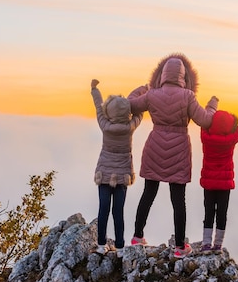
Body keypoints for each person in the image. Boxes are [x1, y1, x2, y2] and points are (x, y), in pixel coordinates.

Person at [128, 53, 218, 259]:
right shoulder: (188, 96)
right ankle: (179, 246)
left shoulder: (152, 95)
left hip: (155, 147)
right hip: (178, 150)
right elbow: (205, 121)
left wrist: (143, 89)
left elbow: (130, 105)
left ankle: (137, 236)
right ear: (183, 76)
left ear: (162, 74)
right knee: (178, 199)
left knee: (148, 193)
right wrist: (212, 106)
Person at [91, 78, 144, 257]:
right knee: (118, 212)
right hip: (122, 176)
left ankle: (100, 244)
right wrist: (144, 93)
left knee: (103, 209)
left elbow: (98, 106)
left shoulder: (105, 126)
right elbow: (139, 114)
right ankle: (120, 247)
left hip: (104, 173)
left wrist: (94, 89)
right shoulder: (130, 127)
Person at [199, 102, 238, 253]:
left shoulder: (205, 137)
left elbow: (204, 121)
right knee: (222, 213)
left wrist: (211, 106)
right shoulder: (231, 139)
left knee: (208, 213)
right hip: (224, 184)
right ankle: (218, 244)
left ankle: (206, 243)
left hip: (209, 183)